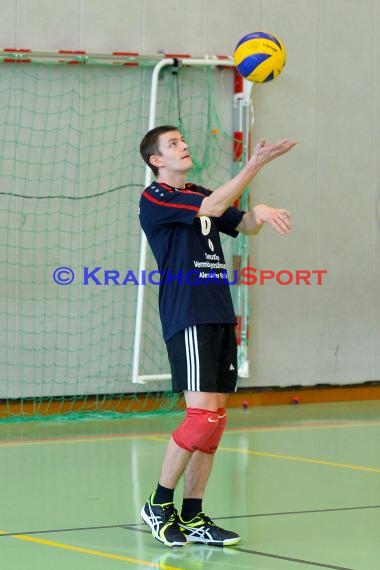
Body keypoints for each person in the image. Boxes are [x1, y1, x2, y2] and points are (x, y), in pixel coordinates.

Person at [138, 125, 297, 548]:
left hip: (218, 312)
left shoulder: (197, 189)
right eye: (173, 144)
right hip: (187, 313)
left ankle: (192, 515)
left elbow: (241, 223)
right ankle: (158, 503)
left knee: (215, 423)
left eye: (182, 140)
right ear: (156, 160)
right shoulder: (157, 197)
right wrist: (254, 165)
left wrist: (257, 212)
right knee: (201, 417)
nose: (183, 145)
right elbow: (211, 205)